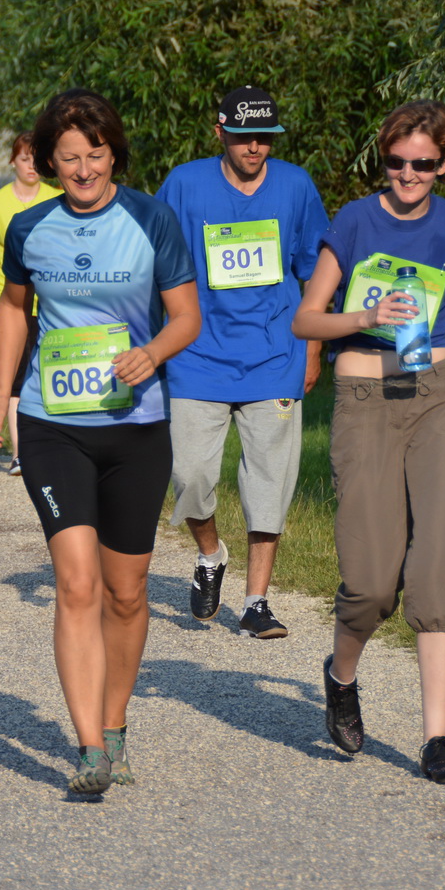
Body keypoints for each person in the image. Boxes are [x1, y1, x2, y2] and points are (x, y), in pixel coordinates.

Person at [0, 89, 200, 795]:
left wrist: (153, 352)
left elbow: (187, 315)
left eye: (94, 154)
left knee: (127, 593)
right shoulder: (30, 226)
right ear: (47, 162)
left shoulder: (151, 218)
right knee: (76, 583)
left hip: (135, 425)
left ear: (114, 152)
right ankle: (88, 751)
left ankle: (115, 724)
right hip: (53, 423)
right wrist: (1, 389)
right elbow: (15, 308)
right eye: (67, 157)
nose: (82, 169)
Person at [291, 100, 445, 785]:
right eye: (396, 161)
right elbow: (306, 318)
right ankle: (341, 674)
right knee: (370, 582)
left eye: (423, 163)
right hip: (363, 402)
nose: (408, 174)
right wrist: (363, 314)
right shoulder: (355, 221)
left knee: (436, 567)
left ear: (444, 164)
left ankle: (437, 738)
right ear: (383, 161)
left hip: (436, 398)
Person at [158, 85, 328, 638]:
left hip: (275, 354)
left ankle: (257, 600)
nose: (254, 147)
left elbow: (316, 271)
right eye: (243, 136)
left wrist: (314, 347)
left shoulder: (296, 186)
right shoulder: (184, 185)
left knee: (269, 483)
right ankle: (210, 554)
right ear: (220, 133)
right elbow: (156, 263)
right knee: (189, 474)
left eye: (264, 137)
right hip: (197, 355)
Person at [0, 132, 62, 475]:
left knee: (49, 373)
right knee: (17, 378)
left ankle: (51, 445)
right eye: (24, 159)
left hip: (50, 298)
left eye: (37, 159)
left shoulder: (58, 197)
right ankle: (21, 453)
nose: (31, 166)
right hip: (4, 298)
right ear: (13, 161)